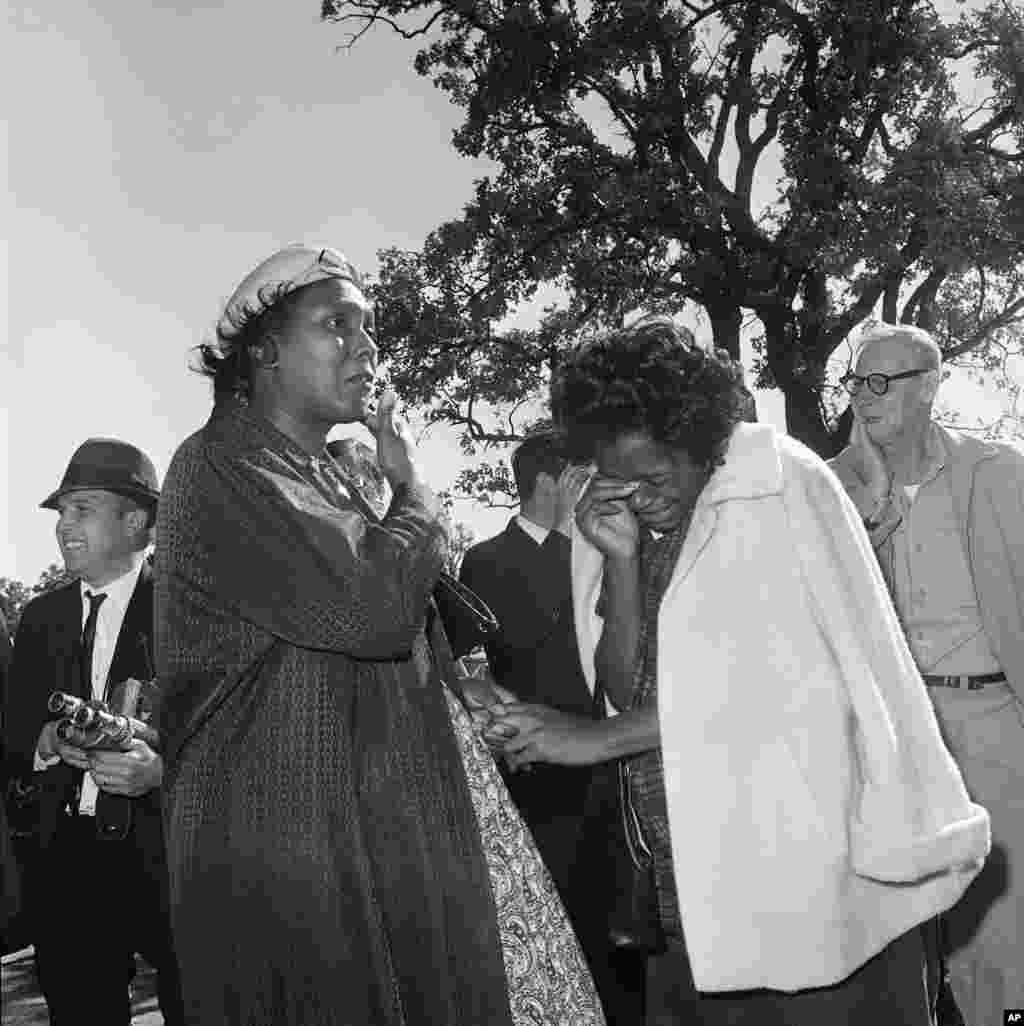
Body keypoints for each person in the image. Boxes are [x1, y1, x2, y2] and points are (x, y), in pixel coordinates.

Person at [481, 318, 991, 1025]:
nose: (638, 497)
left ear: (702, 443)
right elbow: (623, 694)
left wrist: (596, 741)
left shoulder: (778, 488)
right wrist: (623, 566)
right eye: (620, 480)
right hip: (688, 892)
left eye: (656, 477)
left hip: (804, 885)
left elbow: (803, 693)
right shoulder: (618, 525)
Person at [155, 244, 604, 1026]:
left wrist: (469, 691)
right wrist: (411, 490)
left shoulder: (322, 474)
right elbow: (370, 608)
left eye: (370, 331)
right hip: (292, 851)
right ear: (262, 353)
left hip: (372, 832)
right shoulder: (221, 467)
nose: (366, 349)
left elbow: (405, 621)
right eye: (338, 326)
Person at [829, 323, 1024, 1025]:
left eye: (884, 382)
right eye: (857, 382)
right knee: (901, 928)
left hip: (990, 722)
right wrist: (872, 501)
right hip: (884, 739)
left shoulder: (997, 471)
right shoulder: (831, 491)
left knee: (1000, 925)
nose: (865, 396)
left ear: (932, 385)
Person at [460, 432, 646, 1025]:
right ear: (551, 482)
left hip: (615, 764)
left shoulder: (603, 545)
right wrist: (565, 539)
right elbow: (531, 635)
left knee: (626, 933)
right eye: (583, 476)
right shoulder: (489, 558)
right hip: (544, 777)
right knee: (569, 926)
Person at [3, 438, 184, 1025]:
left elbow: (233, 733)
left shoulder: (192, 614)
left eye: (83, 508)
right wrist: (46, 740)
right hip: (66, 868)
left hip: (170, 863)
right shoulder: (39, 618)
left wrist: (160, 771)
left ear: (136, 521)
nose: (64, 525)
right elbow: (12, 728)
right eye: (62, 512)